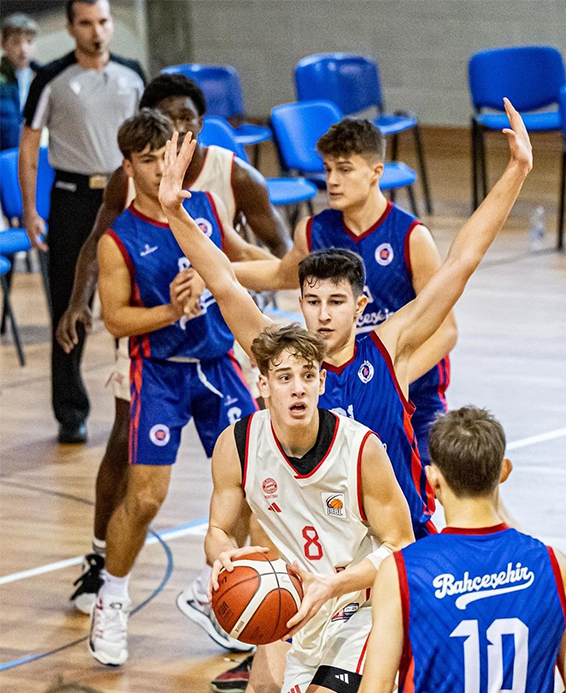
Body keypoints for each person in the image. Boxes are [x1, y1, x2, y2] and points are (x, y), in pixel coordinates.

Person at [164, 99, 529, 546]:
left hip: (400, 546)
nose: (322, 314)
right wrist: (175, 213)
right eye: (312, 301)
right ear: (298, 303)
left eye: (336, 302)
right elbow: (222, 281)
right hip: (324, 558)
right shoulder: (284, 359)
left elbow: (462, 261)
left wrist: (516, 171)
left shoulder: (388, 348)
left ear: (360, 307)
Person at [60, 74, 290, 645]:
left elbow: (243, 258)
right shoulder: (119, 239)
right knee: (146, 496)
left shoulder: (207, 205)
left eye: (168, 154)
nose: (162, 166)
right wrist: (171, 308)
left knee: (255, 484)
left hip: (218, 366)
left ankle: (215, 591)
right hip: (159, 372)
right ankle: (111, 597)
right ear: (128, 167)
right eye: (148, 159)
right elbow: (116, 320)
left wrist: (293, 275)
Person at [205, 323, 416, 693]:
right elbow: (218, 531)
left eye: (307, 375)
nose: (298, 387)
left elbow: (402, 545)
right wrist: (223, 556)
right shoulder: (236, 445)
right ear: (264, 386)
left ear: (321, 382)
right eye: (284, 377)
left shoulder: (362, 449)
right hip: (300, 610)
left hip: (363, 606)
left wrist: (333, 585)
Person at [240, 117, 456, 471]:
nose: (332, 181)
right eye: (327, 170)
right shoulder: (313, 231)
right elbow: (281, 274)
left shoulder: (411, 236)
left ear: (376, 171)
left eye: (344, 169)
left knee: (430, 492)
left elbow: (446, 330)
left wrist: (392, 380)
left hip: (411, 392)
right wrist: (213, 274)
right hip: (341, 390)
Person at [358, 406, 566, 693]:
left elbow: (375, 688)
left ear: (433, 479)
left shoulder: (403, 572)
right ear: (504, 471)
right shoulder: (555, 569)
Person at [20, 0, 145, 444]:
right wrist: (31, 210)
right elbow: (30, 147)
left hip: (123, 196)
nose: (97, 31)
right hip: (71, 199)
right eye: (87, 23)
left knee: (130, 301)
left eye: (104, 21)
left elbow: (148, 138)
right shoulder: (50, 78)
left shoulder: (133, 74)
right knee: (68, 307)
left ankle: (134, 399)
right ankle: (70, 411)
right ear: (72, 28)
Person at [1, 13, 39, 150]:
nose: (23, 50)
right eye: (16, 42)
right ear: (3, 44)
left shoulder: (44, 77)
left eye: (29, 42)